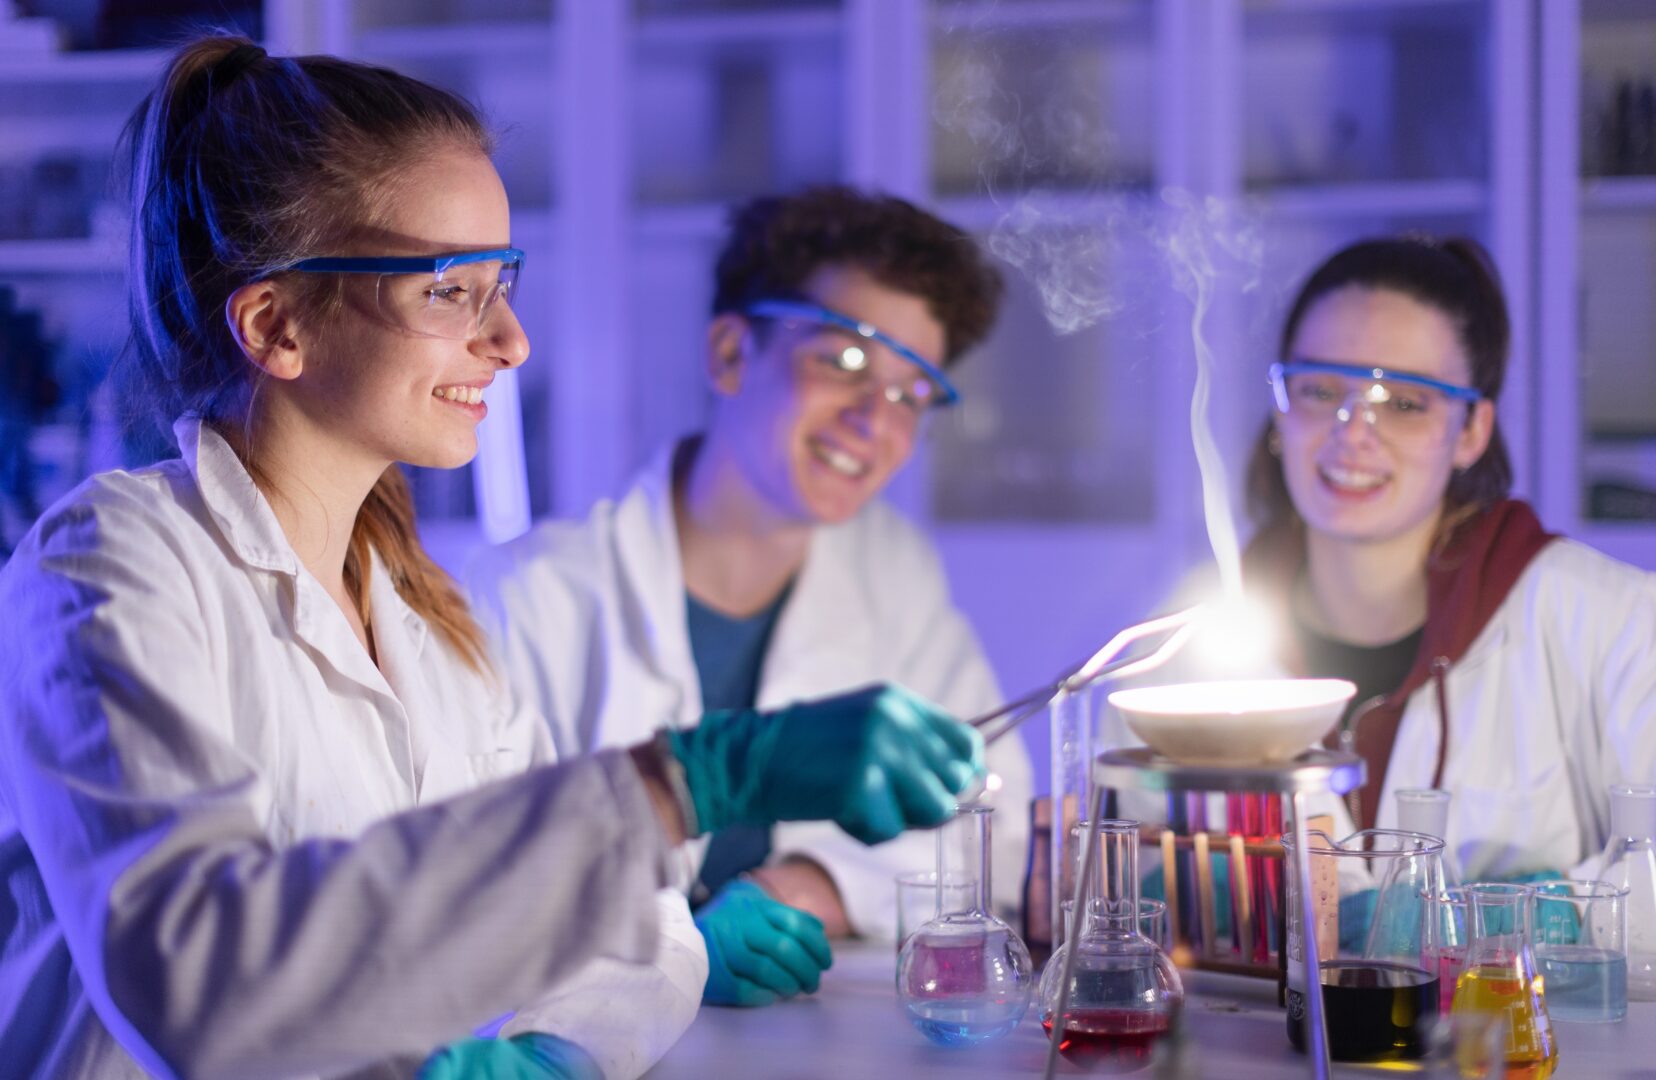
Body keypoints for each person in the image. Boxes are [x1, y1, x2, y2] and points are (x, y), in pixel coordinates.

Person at [0, 38, 984, 1080]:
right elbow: (200, 985)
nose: (512, 340)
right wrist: (677, 785)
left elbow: (628, 934)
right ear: (276, 323)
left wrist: (563, 1046)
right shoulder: (110, 565)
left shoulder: (428, 626)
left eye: (500, 282)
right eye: (448, 291)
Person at [469, 186, 1034, 1008]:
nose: (876, 422)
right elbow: (464, 884)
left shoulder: (894, 575)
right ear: (732, 353)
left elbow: (994, 820)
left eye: (913, 395)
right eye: (844, 361)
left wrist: (803, 887)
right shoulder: (530, 600)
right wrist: (669, 945)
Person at [1122, 235, 1656, 887]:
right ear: (1279, 412)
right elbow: (1119, 853)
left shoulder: (1609, 621)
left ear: (1471, 432)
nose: (1352, 434)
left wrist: (1548, 914)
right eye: (1319, 390)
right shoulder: (1188, 636)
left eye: (1404, 403)